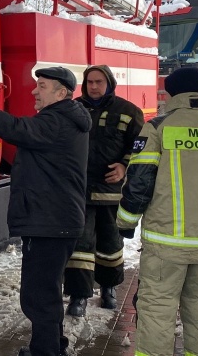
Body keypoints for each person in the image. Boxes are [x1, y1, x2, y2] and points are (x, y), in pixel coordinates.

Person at [0, 65, 91, 356]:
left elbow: (16, 129)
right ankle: (53, 346)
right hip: (56, 220)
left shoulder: (56, 122)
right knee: (48, 291)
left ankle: (45, 352)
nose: (34, 90)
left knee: (38, 296)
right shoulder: (64, 119)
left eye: (42, 86)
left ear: (62, 92)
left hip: (49, 222)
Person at [115, 67, 198, 355]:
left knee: (157, 311)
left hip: (166, 243)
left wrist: (125, 222)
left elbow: (140, 182)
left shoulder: (159, 127)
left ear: (171, 92)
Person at [63, 65, 144, 317]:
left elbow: (142, 147)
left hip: (112, 193)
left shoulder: (129, 112)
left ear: (109, 83)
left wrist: (124, 165)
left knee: (111, 244)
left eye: (99, 82)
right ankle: (79, 296)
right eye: (89, 82)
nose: (94, 86)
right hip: (79, 192)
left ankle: (108, 288)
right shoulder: (72, 109)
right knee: (80, 245)